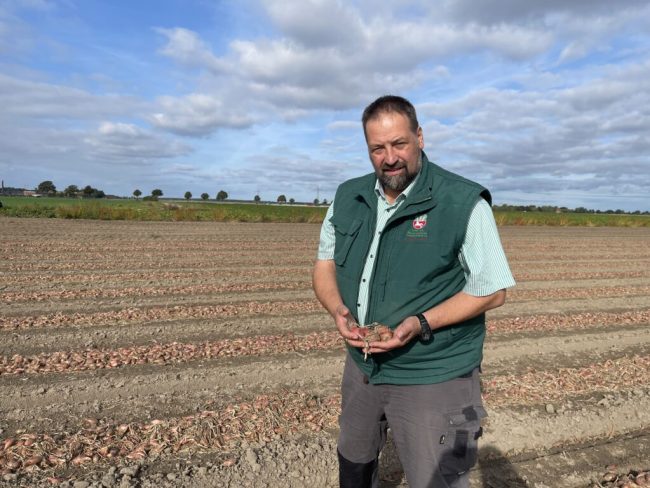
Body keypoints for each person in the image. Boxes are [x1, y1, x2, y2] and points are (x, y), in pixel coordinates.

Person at [312, 95, 515, 488]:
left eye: (399, 144)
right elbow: (324, 266)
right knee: (354, 463)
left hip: (434, 373)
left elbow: (492, 290)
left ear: (419, 137)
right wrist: (338, 310)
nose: (390, 158)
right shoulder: (348, 197)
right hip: (362, 366)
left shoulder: (462, 201)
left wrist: (419, 323)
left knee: (437, 478)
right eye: (378, 148)